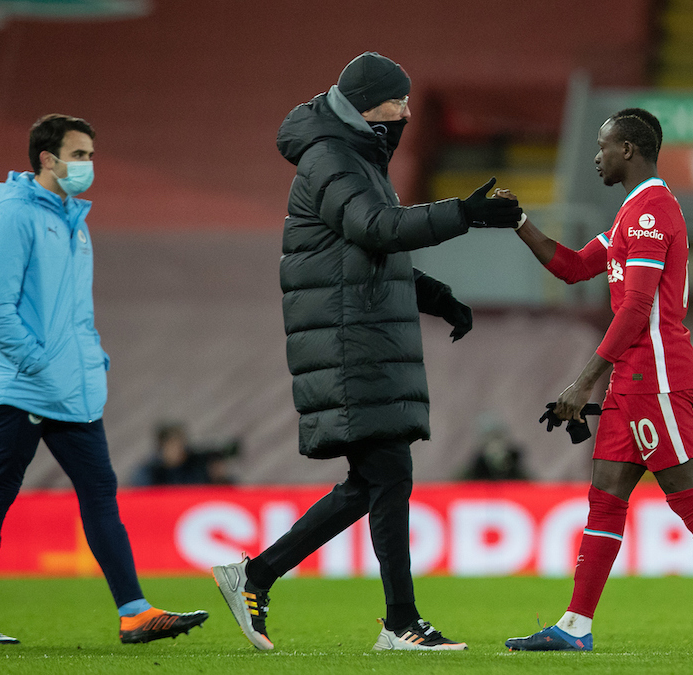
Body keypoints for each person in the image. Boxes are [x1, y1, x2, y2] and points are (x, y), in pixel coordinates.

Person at [210, 52, 522, 652]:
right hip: (347, 342)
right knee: (388, 474)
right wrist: (464, 214)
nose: (406, 112)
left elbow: (372, 252)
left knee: (373, 481)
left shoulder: (351, 158)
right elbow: (379, 228)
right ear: (366, 105)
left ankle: (256, 575)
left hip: (361, 336)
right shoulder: (331, 158)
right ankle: (400, 622)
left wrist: (436, 297)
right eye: (397, 101)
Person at [501, 108, 693, 653]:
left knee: (687, 495)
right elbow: (573, 266)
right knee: (605, 496)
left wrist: (582, 384)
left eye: (604, 145)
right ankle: (575, 626)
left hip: (655, 375)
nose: (596, 156)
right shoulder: (630, 215)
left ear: (628, 150)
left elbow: (636, 310)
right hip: (630, 381)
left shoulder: (653, 211)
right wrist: (518, 222)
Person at [0, 114, 208, 646]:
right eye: (80, 155)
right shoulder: (12, 216)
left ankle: (134, 612)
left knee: (100, 492)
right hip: (24, 385)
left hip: (71, 387)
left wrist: (91, 356)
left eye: (91, 155)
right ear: (47, 158)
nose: (88, 165)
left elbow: (75, 310)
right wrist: (39, 360)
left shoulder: (74, 221)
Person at [132, 422, 239, 486]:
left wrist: (219, 479)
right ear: (162, 447)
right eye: (172, 445)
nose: (178, 449)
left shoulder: (197, 464)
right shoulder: (150, 471)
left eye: (181, 444)